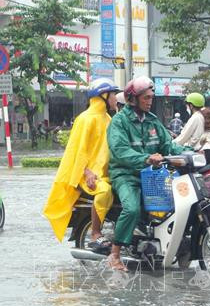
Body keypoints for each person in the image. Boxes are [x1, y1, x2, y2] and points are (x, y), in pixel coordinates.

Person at [106, 76, 183, 271]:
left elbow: (168, 145)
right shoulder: (119, 122)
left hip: (152, 175)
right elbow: (120, 151)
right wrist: (146, 159)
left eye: (151, 97)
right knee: (131, 209)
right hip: (126, 175)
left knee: (176, 205)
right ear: (133, 99)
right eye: (146, 98)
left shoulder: (152, 121)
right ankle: (115, 254)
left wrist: (193, 151)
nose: (150, 102)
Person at [44, 78, 120, 246]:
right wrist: (86, 172)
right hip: (87, 175)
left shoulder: (108, 118)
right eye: (114, 94)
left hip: (106, 173)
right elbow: (76, 151)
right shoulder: (85, 119)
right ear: (103, 96)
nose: (116, 98)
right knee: (105, 192)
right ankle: (95, 233)